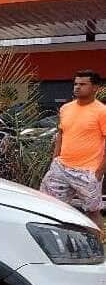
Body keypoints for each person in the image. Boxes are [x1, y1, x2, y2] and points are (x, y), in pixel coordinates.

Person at [40, 70, 106, 229]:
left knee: (93, 211)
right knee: (46, 204)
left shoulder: (102, 111)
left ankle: (97, 245)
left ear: (95, 87)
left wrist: (99, 171)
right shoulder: (65, 109)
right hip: (61, 167)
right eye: (76, 84)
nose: (77, 87)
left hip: (88, 171)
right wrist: (55, 159)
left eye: (83, 84)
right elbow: (61, 135)